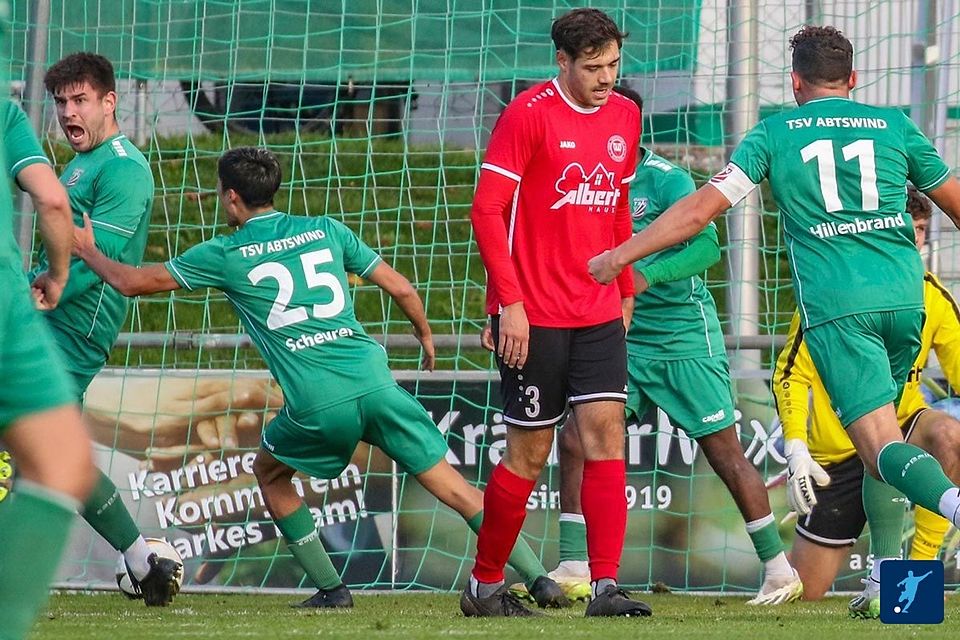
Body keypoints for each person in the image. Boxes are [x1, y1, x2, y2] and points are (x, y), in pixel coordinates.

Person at [72, 146, 569, 610]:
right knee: (455, 487)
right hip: (375, 380)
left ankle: (332, 589)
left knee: (270, 473)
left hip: (318, 399)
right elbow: (401, 286)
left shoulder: (225, 253)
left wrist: (87, 249)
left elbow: (130, 282)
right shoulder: (327, 229)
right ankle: (538, 576)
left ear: (230, 196)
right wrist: (425, 337)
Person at [589, 24, 960, 613]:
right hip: (906, 296)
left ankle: (953, 507)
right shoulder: (896, 126)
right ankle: (898, 595)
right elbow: (956, 204)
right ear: (854, 79)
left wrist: (621, 255)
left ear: (795, 82)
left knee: (883, 443)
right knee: (881, 444)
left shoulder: (775, 134)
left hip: (843, 308)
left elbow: (697, 214)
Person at [508, 85, 802, 605]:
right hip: (616, 338)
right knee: (577, 439)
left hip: (683, 339)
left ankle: (778, 568)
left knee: (723, 451)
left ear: (633, 124)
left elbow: (709, 245)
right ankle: (577, 562)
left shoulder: (666, 180)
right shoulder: (577, 175)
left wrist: (644, 272)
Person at [465, 8, 651, 618]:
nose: (606, 78)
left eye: (614, 65)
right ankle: (485, 583)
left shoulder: (626, 113)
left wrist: (624, 285)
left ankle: (605, 586)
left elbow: (617, 206)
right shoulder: (528, 114)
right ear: (562, 62)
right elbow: (487, 211)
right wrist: (509, 304)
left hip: (597, 310)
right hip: (534, 315)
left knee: (606, 435)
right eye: (593, 67)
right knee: (530, 452)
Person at [25, 52, 182, 606]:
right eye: (61, 102)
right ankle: (144, 560)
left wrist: (45, 284)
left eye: (80, 100)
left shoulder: (124, 168)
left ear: (109, 102)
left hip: (72, 335)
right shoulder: (81, 163)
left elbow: (106, 256)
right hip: (49, 325)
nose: (68, 112)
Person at [774, 186, 960, 615]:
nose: (914, 239)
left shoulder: (932, 295)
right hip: (838, 454)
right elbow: (790, 375)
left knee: (948, 434)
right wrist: (796, 446)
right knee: (807, 592)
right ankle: (869, 574)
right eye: (905, 227)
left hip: (901, 428)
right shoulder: (829, 291)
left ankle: (913, 573)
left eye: (920, 230)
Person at [0, 91, 96, 640]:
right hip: (8, 307)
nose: (68, 111)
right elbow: (53, 202)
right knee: (60, 462)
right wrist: (58, 274)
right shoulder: (7, 115)